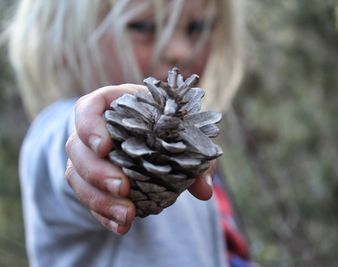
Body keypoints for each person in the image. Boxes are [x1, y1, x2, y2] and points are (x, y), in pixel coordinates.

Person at [8, 0, 250, 266]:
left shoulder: (191, 153)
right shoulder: (54, 128)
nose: (181, 49)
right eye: (143, 26)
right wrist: (89, 139)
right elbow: (62, 148)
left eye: (197, 27)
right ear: (62, 38)